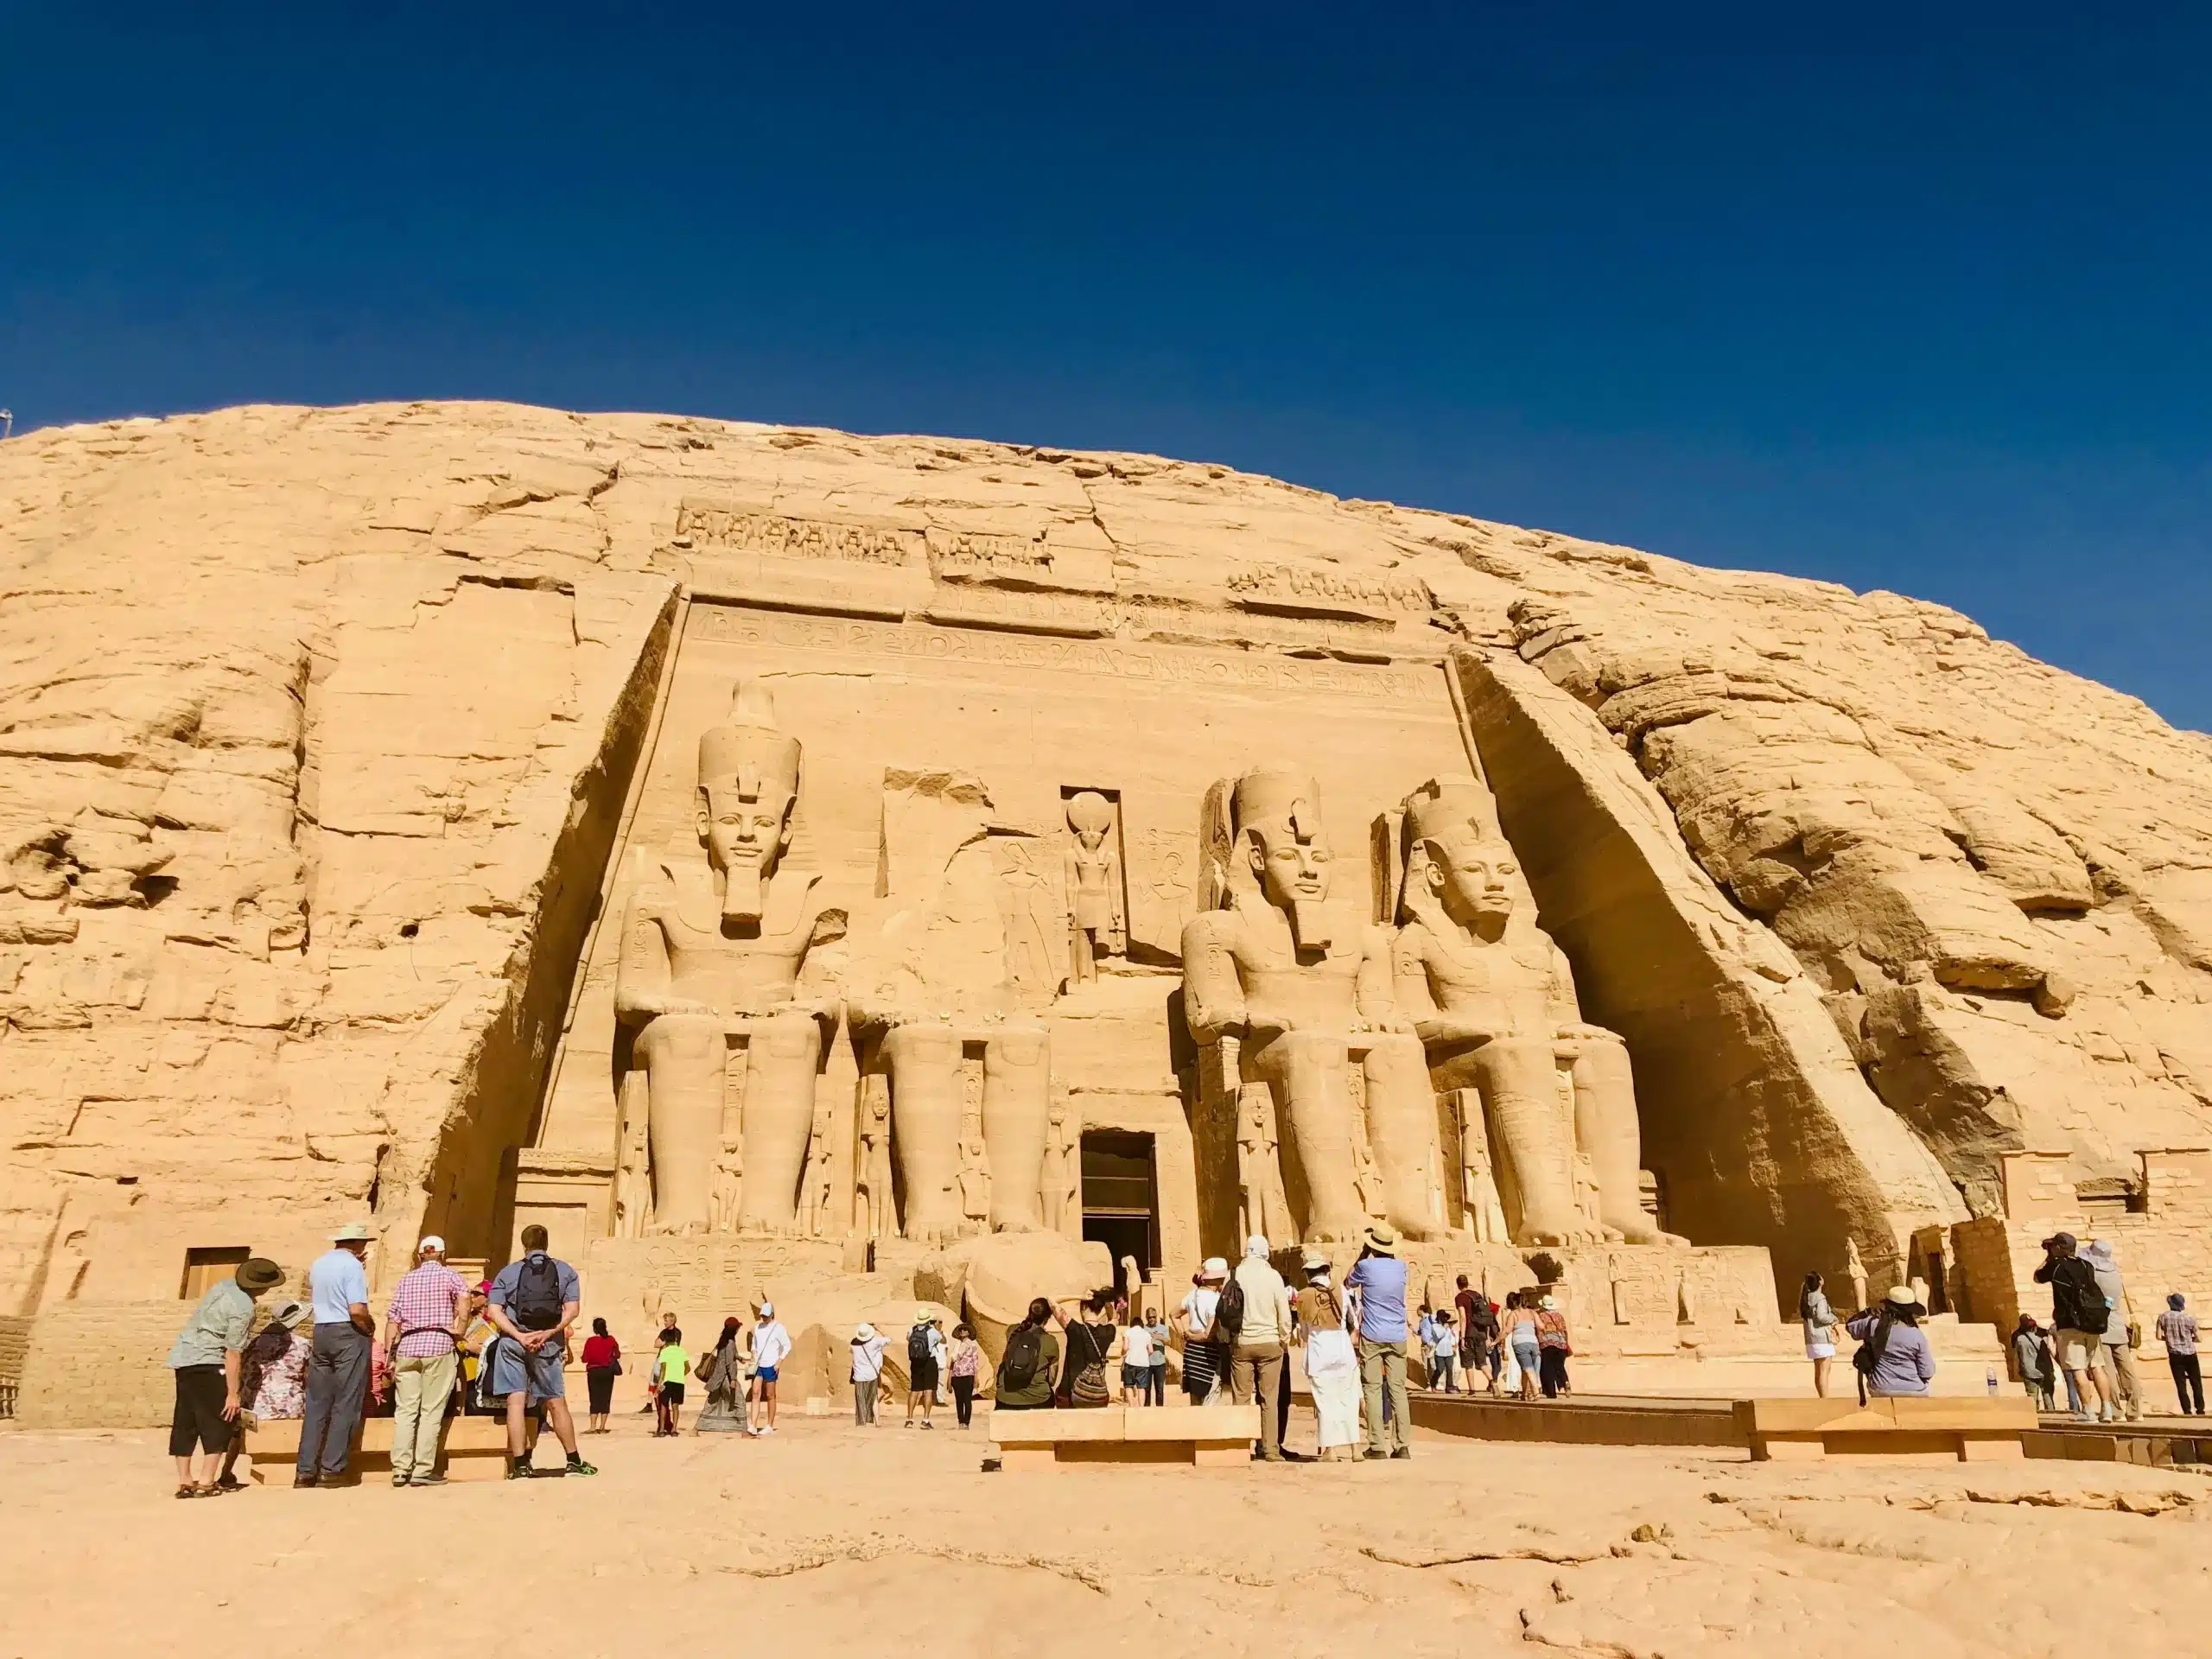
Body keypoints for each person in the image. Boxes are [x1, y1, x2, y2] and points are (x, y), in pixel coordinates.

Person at [166, 1255, 285, 1497]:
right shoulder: (244, 1308)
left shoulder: (222, 1286)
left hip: (185, 1359)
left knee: (186, 1420)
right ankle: (206, 1481)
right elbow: (233, 1352)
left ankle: (185, 1481)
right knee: (219, 1420)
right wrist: (233, 1393)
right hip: (211, 1362)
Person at [486, 1224, 596, 1478]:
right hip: (548, 1344)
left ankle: (520, 1465)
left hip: (513, 1342)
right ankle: (573, 1460)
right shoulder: (564, 1270)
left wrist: (519, 1335)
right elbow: (572, 1310)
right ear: (546, 1243)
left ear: (523, 1244)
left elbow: (494, 1311)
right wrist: (548, 1332)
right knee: (556, 1402)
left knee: (515, 1402)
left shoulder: (508, 1272)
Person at [383, 1235, 471, 1488]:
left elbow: (393, 1320)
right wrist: (460, 1330)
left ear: (420, 1255)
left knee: (405, 1411)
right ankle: (422, 1469)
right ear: (442, 1254)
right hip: (437, 1344)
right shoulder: (450, 1276)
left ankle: (400, 1469)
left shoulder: (406, 1280)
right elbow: (465, 1301)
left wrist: (390, 1355)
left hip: (408, 1347)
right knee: (431, 1411)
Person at [296, 1222, 375, 1488]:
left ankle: (305, 1471)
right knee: (346, 1401)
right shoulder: (352, 1266)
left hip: (321, 1329)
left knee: (317, 1402)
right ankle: (332, 1469)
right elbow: (356, 1309)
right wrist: (369, 1327)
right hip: (347, 1331)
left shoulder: (319, 1263)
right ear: (358, 1244)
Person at [213, 1299, 310, 1491]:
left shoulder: (253, 1344)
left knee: (238, 1428)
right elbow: (307, 1378)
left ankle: (227, 1470)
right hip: (290, 1407)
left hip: (255, 1411)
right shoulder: (303, 1344)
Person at [1345, 1224, 1412, 1460]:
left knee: (1372, 1389)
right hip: (1397, 1334)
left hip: (1373, 1334)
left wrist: (1363, 1255)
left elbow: (1348, 1282)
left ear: (1372, 1247)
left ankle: (1377, 1445)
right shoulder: (1402, 1268)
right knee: (1398, 1390)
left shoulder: (1366, 1266)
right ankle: (1402, 1445)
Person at [2033, 1232, 2113, 1422]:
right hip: (2091, 1323)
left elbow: (2037, 1277)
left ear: (2058, 1247)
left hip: (2070, 1324)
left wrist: (2049, 1257)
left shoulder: (2056, 1266)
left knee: (2077, 1368)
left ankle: (2088, 1411)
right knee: (2097, 1366)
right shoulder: (2087, 1265)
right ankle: (2107, 1409)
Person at [1226, 1236, 1295, 1459]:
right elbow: (1284, 1313)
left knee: (1241, 1399)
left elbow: (1226, 1309)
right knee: (1269, 1400)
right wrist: (1283, 1339)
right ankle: (1270, 1449)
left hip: (1242, 1342)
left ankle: (1240, 1447)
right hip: (1269, 1341)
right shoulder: (1273, 1276)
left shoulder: (1234, 1274)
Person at [1295, 1251, 1359, 1460]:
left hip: (1319, 1352)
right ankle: (1355, 1449)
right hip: (1343, 1349)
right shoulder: (1341, 1290)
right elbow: (1352, 1322)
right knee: (1349, 1399)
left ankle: (1330, 1450)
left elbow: (1304, 1333)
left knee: (1325, 1403)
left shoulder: (1303, 1296)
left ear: (1307, 1273)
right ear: (1327, 1270)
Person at [2083, 1239, 2142, 1421]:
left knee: (2107, 1371)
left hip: (2102, 1326)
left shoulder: (2093, 1274)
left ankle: (2116, 1411)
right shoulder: (2115, 1273)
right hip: (2118, 1325)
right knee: (2127, 1370)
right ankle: (2136, 1410)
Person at [1846, 1287, 1936, 1398]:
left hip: (1880, 1388)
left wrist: (1867, 1312)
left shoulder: (1873, 1324)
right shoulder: (1917, 1335)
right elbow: (1927, 1372)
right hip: (1915, 1390)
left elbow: (1850, 1326)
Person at [994, 1298, 1061, 1411]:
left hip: (1005, 1398)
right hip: (1038, 1399)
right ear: (1047, 1319)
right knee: (1050, 1395)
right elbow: (1051, 1380)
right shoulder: (1051, 1341)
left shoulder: (1011, 1331)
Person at [1058, 1289, 1120, 1409]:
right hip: (1097, 1396)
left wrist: (1078, 1296)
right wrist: (1105, 1301)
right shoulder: (1108, 1331)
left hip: (1071, 1395)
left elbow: (1051, 1301)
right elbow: (1114, 1317)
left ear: (1083, 1308)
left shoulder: (1075, 1329)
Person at [1178, 1262, 1228, 1403]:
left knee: (1195, 1397)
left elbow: (1173, 1314)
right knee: (1210, 1397)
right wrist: (1192, 1336)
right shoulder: (1216, 1300)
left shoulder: (1192, 1295)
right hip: (1209, 1352)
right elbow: (1208, 1335)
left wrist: (1184, 1335)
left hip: (1191, 1351)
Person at [696, 1318, 753, 1433]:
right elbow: (729, 1363)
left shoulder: (723, 1341)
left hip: (717, 1378)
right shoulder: (730, 1342)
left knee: (711, 1402)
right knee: (739, 1401)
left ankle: (697, 1427)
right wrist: (733, 1379)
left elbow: (728, 1355)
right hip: (726, 1377)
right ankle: (744, 1431)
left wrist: (738, 1357)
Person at [2157, 1294, 2203, 1415]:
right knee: (2196, 1382)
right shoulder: (2190, 1318)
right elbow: (2199, 1338)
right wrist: (2188, 1339)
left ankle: (2187, 1410)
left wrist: (2170, 1339)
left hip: (2175, 1355)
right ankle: (2200, 1409)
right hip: (2190, 1353)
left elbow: (2158, 1336)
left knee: (2180, 1384)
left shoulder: (2163, 1317)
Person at [750, 1301, 791, 1434]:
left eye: (766, 1316)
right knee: (755, 1393)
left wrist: (779, 1361)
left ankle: (769, 1425)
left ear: (772, 1314)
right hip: (758, 1364)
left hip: (771, 1364)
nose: (764, 1318)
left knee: (770, 1395)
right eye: (762, 1315)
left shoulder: (779, 1328)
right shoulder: (758, 1327)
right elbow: (754, 1344)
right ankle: (753, 1424)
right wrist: (753, 1352)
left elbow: (787, 1345)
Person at [1801, 1270, 1840, 1398]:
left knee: (1819, 1370)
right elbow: (1822, 1316)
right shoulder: (1819, 1297)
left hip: (1812, 1338)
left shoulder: (1806, 1297)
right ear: (1819, 1282)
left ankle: (1822, 1397)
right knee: (1824, 1370)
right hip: (1822, 1337)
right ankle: (1825, 1399)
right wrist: (1833, 1318)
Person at [581, 1318, 622, 1433]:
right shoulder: (611, 1340)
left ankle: (593, 1426)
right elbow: (617, 1354)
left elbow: (585, 1358)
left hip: (593, 1371)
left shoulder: (590, 1341)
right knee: (606, 1397)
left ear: (594, 1328)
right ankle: (602, 1427)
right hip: (607, 1371)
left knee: (594, 1398)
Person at [905, 1309, 944, 1428]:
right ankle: (925, 1420)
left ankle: (909, 1420)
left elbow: (908, 1339)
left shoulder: (912, 1330)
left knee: (914, 1390)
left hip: (915, 1362)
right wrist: (938, 1329)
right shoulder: (932, 1332)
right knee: (928, 1390)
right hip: (929, 1362)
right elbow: (942, 1340)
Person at [2012, 1314, 2056, 1410]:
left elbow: (2017, 1357)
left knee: (2032, 1396)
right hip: (2042, 1371)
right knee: (2047, 1395)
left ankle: (2033, 1414)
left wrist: (2018, 1369)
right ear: (2034, 1328)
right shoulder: (2040, 1340)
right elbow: (2046, 1358)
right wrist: (2051, 1371)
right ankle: (2051, 1413)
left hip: (2028, 1371)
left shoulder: (2019, 1340)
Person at [1503, 1291, 1541, 1402]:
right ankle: (1525, 1393)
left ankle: (1535, 1391)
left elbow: (1507, 1330)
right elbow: (1541, 1326)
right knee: (1525, 1369)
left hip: (1520, 1343)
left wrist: (1496, 1342)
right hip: (1533, 1342)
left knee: (1528, 1369)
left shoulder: (1513, 1314)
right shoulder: (1532, 1312)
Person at [850, 1321, 888, 1425]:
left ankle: (862, 1422)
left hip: (859, 1375)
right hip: (872, 1374)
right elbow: (888, 1339)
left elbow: (851, 1350)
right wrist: (879, 1329)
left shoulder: (854, 1343)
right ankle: (877, 1421)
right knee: (874, 1397)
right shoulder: (875, 1342)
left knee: (860, 1398)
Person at [653, 1326, 689, 1435]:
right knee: (675, 1406)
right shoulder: (682, 1351)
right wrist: (680, 1375)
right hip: (679, 1381)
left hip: (667, 1381)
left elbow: (663, 1370)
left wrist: (659, 1385)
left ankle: (662, 1430)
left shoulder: (664, 1352)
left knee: (664, 1406)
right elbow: (688, 1368)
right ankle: (674, 1429)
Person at [1534, 1296, 1571, 1398]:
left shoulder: (1541, 1316)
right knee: (1559, 1366)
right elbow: (1565, 1331)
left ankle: (1551, 1393)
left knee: (1547, 1368)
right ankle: (1565, 1382)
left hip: (1547, 1344)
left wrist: (1539, 1344)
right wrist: (1565, 1344)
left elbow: (1539, 1331)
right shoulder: (1559, 1316)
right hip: (1560, 1344)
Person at [946, 1322, 981, 1427]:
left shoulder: (972, 1345)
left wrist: (976, 1378)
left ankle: (966, 1421)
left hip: (968, 1375)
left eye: (965, 1330)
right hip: (956, 1375)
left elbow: (975, 1362)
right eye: (961, 1330)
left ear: (969, 1333)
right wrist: (949, 1378)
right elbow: (952, 1363)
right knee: (959, 1400)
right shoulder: (957, 1345)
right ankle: (960, 1421)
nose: (962, 1331)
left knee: (967, 1399)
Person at [1120, 1310, 1152, 1407]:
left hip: (1130, 1362)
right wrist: (1144, 1355)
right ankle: (1141, 1407)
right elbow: (1151, 1351)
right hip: (1143, 1364)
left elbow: (1125, 1348)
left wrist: (1122, 1353)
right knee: (1141, 1387)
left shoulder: (1128, 1332)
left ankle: (1131, 1405)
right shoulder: (1146, 1334)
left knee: (1128, 1385)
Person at [1145, 1308, 1171, 1406]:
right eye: (1149, 1317)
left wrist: (1159, 1337)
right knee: (1146, 1389)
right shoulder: (1144, 1329)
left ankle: (1160, 1410)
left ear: (1156, 1317)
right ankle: (1146, 1409)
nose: (1152, 1319)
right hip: (1147, 1363)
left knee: (1159, 1389)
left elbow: (1169, 1342)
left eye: (1153, 1317)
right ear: (1146, 1317)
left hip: (1160, 1363)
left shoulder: (1163, 1328)